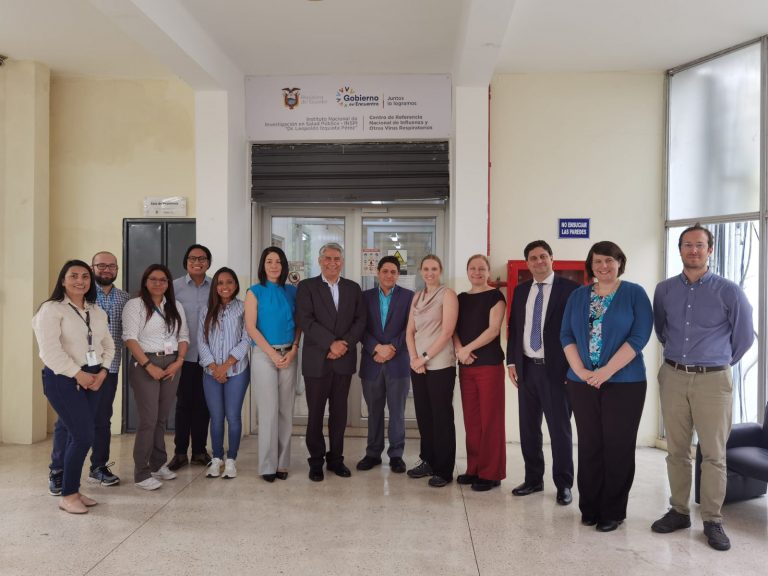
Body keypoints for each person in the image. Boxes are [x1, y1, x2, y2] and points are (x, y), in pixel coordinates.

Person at [651, 224, 754, 552]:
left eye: (699, 245)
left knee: (713, 454)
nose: (693, 250)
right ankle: (679, 511)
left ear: (710, 250)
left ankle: (712, 519)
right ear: (679, 249)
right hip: (673, 376)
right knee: (677, 450)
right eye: (687, 245)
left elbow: (744, 337)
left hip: (714, 380)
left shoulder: (729, 291)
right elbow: (661, 330)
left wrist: (716, 361)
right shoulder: (664, 290)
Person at [560, 241, 652, 532]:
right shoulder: (578, 296)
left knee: (618, 446)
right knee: (589, 445)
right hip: (582, 382)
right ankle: (589, 507)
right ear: (591, 265)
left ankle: (612, 511)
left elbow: (639, 337)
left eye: (609, 261)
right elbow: (566, 335)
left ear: (620, 262)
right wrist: (581, 371)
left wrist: (605, 372)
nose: (603, 266)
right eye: (598, 261)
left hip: (625, 383)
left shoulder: (635, 293)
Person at [32, 260, 115, 514]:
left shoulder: (96, 311)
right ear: (63, 280)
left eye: (85, 277)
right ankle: (67, 495)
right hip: (63, 378)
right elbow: (49, 352)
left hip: (94, 377)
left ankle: (74, 490)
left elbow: (108, 345)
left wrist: (103, 372)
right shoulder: (51, 309)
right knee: (82, 435)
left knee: (78, 435)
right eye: (74, 276)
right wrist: (78, 374)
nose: (80, 281)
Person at [48, 251, 129, 494]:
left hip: (107, 368)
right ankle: (58, 471)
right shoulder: (69, 300)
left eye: (111, 266)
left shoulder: (125, 298)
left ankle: (99, 467)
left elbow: (116, 338)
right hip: (71, 372)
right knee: (67, 422)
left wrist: (104, 369)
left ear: (117, 269)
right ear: (93, 268)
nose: (106, 269)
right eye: (101, 265)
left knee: (102, 419)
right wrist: (77, 372)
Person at [506, 241, 578, 504]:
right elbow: (515, 328)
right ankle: (533, 479)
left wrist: (573, 369)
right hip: (526, 368)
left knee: (559, 430)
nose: (539, 261)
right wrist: (511, 362)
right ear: (527, 263)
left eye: (543, 256)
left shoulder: (570, 289)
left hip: (557, 371)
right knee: (528, 429)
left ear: (552, 259)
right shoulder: (521, 290)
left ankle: (564, 484)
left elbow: (577, 331)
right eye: (533, 258)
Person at [296, 242, 365, 482]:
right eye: (328, 258)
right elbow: (305, 320)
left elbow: (360, 321)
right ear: (320, 261)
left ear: (342, 262)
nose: (332, 263)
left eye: (337, 259)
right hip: (317, 360)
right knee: (315, 413)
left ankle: (336, 459)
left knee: (339, 414)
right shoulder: (307, 287)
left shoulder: (353, 288)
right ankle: (316, 461)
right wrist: (330, 344)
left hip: (343, 360)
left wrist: (343, 345)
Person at [123, 264, 189, 490]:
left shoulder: (175, 306)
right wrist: (148, 365)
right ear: (145, 281)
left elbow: (184, 336)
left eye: (163, 280)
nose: (158, 283)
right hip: (145, 364)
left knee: (161, 418)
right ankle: (141, 473)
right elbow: (130, 338)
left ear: (168, 283)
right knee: (148, 420)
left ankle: (158, 464)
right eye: (153, 279)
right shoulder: (135, 305)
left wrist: (179, 362)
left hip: (172, 364)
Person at [244, 247, 300, 482]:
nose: (274, 266)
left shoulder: (293, 291)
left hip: (289, 355)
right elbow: (251, 327)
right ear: (263, 265)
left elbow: (299, 323)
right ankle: (267, 465)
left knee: (286, 410)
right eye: (269, 261)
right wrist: (272, 354)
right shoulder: (254, 291)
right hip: (264, 356)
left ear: (284, 265)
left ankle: (282, 463)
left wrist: (294, 348)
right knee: (268, 411)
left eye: (278, 261)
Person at [453, 254, 506, 492]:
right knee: (472, 420)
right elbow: (452, 329)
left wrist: (467, 349)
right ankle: (474, 468)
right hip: (466, 366)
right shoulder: (461, 298)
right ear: (467, 271)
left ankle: (491, 473)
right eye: (473, 268)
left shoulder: (496, 296)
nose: (477, 272)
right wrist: (459, 351)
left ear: (488, 272)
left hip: (489, 366)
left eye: (482, 268)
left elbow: (493, 330)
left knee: (490, 420)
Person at [357, 256, 414, 474]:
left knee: (397, 411)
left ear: (398, 275)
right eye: (385, 271)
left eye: (393, 272)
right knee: (374, 411)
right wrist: (376, 348)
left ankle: (396, 455)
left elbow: (411, 327)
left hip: (398, 362)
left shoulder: (409, 297)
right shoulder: (365, 297)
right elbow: (359, 327)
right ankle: (373, 453)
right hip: (372, 362)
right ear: (378, 273)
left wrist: (391, 348)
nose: (389, 275)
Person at [406, 254, 458, 488]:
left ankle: (444, 470)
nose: (430, 273)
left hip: (440, 365)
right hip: (418, 366)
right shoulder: (417, 297)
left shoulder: (448, 295)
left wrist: (424, 358)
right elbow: (410, 331)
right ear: (420, 271)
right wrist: (414, 359)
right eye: (426, 269)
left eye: (434, 269)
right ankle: (428, 461)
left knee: (441, 416)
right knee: (424, 415)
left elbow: (447, 332)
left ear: (440, 271)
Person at [199, 267, 251, 480]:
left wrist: (226, 365)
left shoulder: (243, 308)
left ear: (236, 285)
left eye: (229, 282)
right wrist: (214, 368)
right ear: (215, 286)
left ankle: (231, 460)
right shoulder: (206, 310)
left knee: (233, 416)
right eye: (220, 283)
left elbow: (247, 339)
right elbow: (202, 341)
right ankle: (217, 458)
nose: (224, 286)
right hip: (211, 373)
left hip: (237, 371)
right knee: (216, 417)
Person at [169, 244, 213, 470]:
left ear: (208, 262)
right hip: (182, 356)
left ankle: (199, 451)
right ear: (186, 262)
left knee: (203, 405)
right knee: (183, 404)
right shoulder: (173, 287)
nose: (197, 262)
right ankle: (179, 453)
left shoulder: (216, 286)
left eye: (202, 258)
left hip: (208, 356)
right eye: (193, 258)